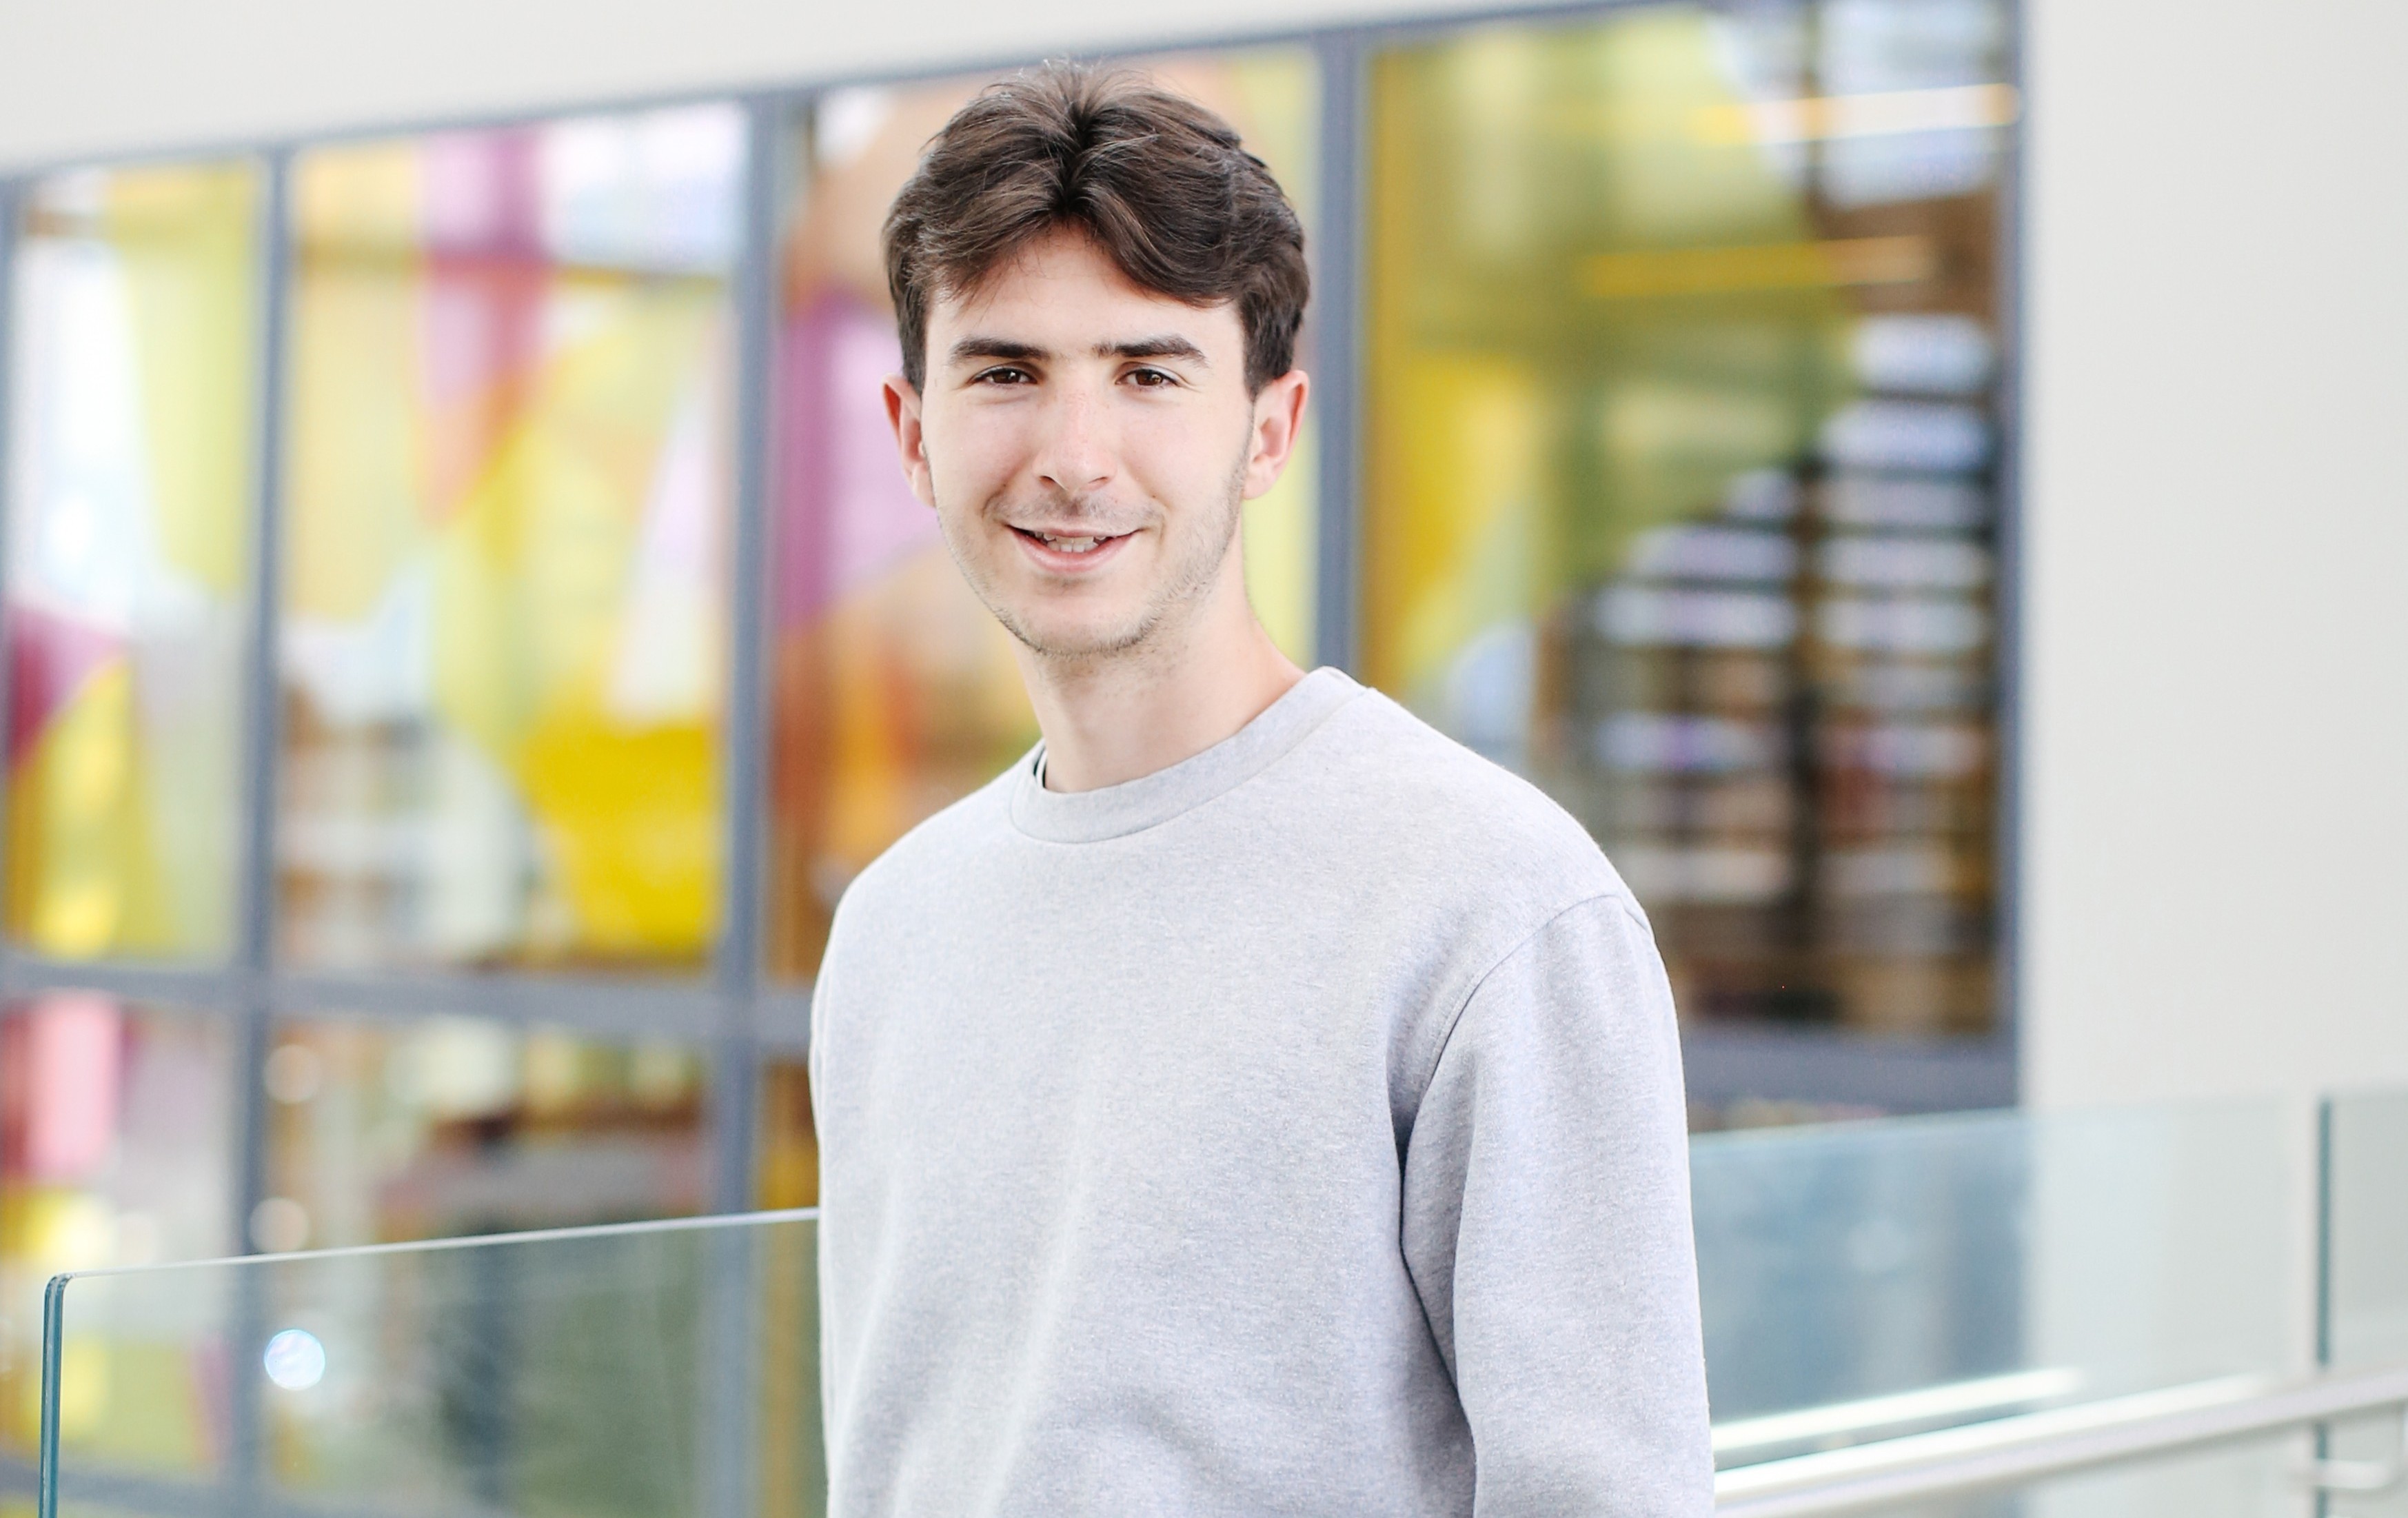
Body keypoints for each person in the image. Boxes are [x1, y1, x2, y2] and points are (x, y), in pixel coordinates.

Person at [810, 60, 1712, 1516]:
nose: (1073, 457)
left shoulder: (1492, 906)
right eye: (1005, 371)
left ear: (1271, 430)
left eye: (1149, 373)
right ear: (914, 432)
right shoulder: (895, 927)